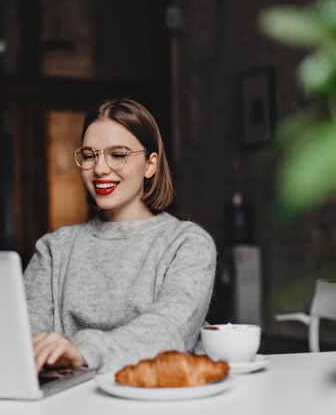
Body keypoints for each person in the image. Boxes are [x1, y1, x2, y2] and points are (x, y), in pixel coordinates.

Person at [24, 98, 217, 374]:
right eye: (90, 155)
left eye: (118, 154)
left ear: (151, 165)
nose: (100, 169)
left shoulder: (187, 243)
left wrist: (83, 350)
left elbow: (169, 329)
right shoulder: (55, 248)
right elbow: (25, 339)